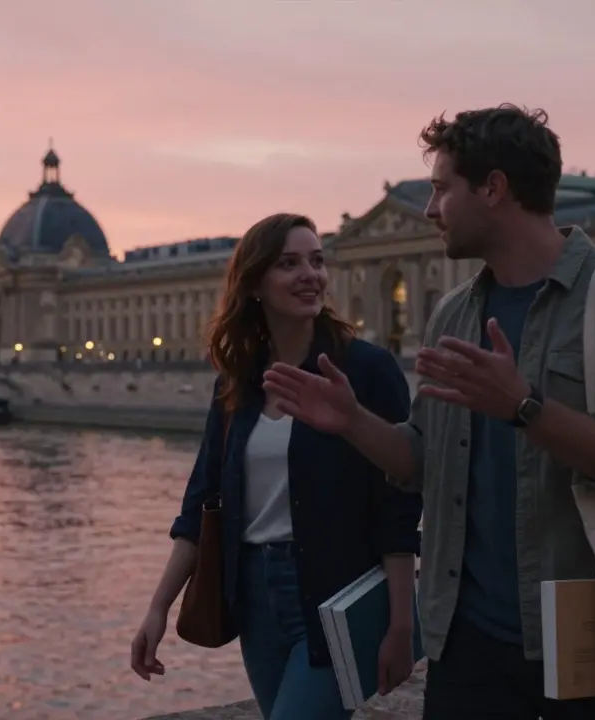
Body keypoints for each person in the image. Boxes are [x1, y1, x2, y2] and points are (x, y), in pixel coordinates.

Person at [262, 105, 595, 720]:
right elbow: (423, 460)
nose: (430, 210)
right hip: (465, 642)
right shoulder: (455, 312)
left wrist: (524, 407)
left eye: (441, 189)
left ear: (493, 189)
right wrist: (353, 422)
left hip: (588, 636)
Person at [130, 213, 424, 720]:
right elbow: (201, 503)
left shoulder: (365, 370)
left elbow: (398, 504)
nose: (310, 275)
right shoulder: (238, 381)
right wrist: (158, 607)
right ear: (254, 284)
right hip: (254, 598)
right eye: (289, 264)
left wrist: (401, 623)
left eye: (317, 261)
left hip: (336, 595)